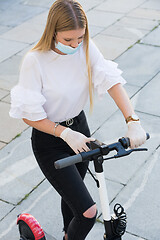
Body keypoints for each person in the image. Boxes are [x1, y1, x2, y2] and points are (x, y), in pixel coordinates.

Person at [9, 0, 146, 239]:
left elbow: (111, 81)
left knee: (73, 197)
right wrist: (64, 133)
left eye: (80, 38)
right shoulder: (36, 60)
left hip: (80, 129)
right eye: (68, 40)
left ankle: (66, 233)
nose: (76, 44)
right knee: (88, 212)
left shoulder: (86, 47)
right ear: (53, 32)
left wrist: (132, 120)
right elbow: (29, 116)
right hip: (50, 139)